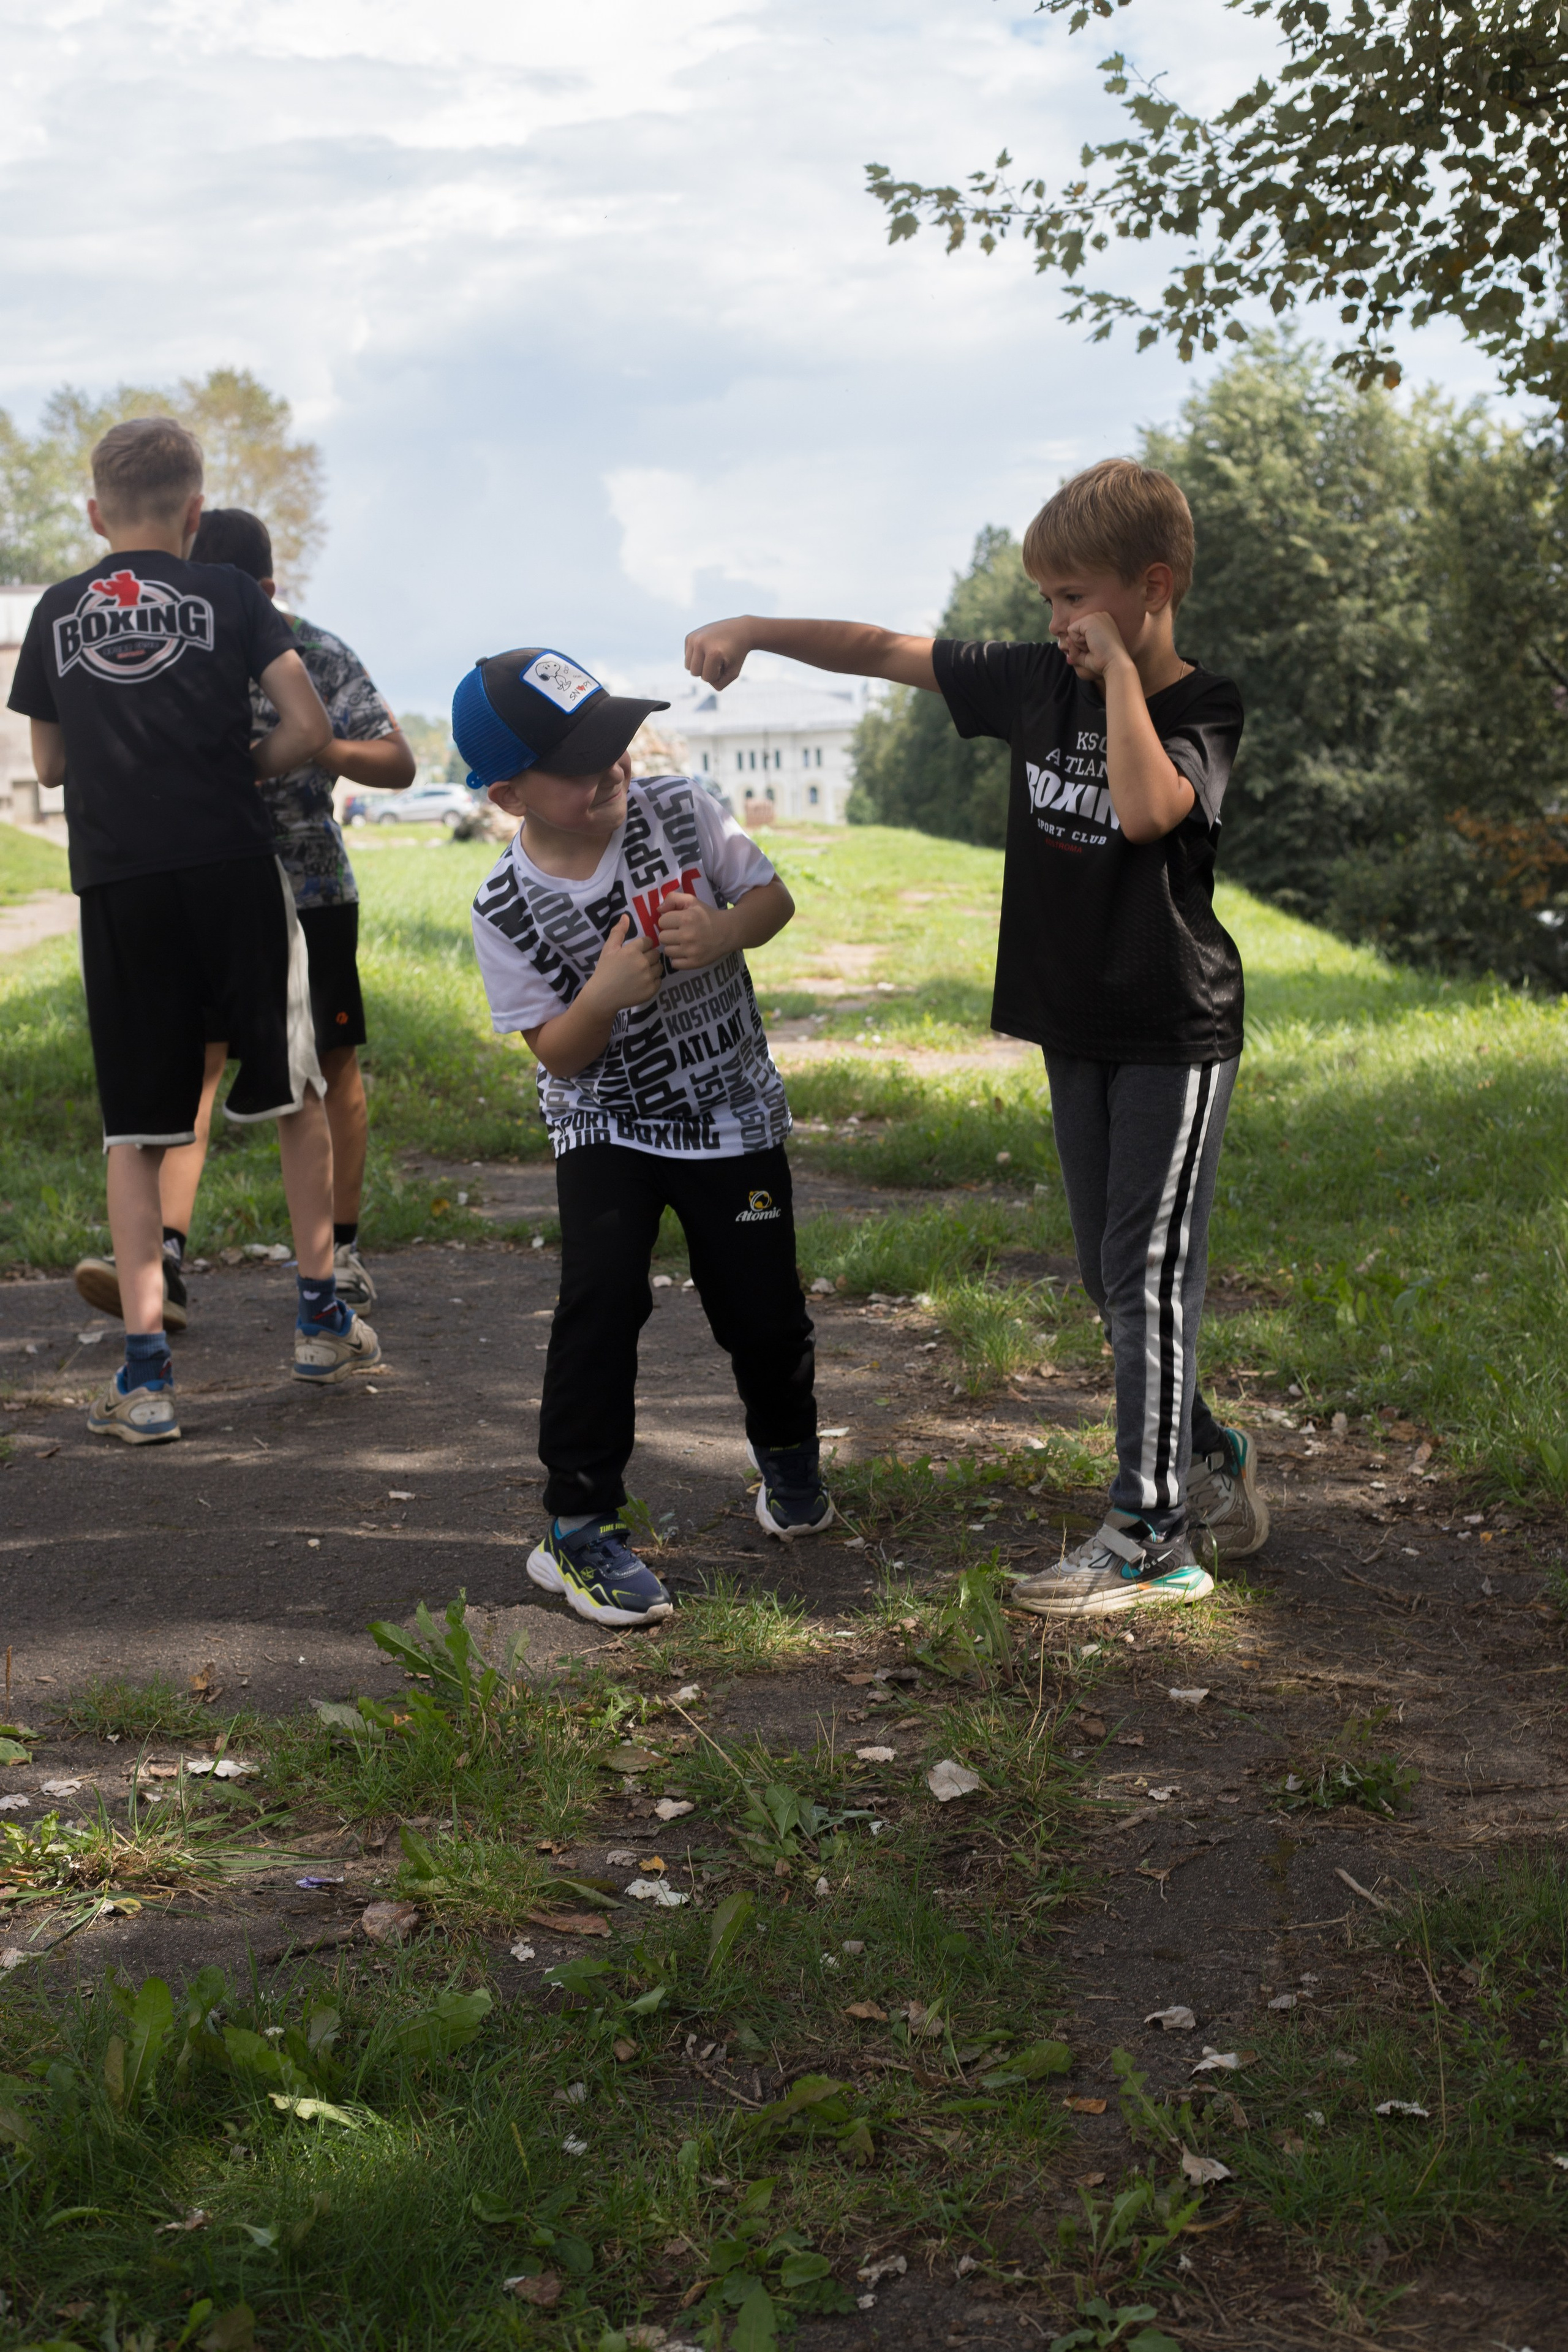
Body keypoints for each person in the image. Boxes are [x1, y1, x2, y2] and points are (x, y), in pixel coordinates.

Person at [684, 458, 1268, 1618]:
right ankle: (1206, 1452)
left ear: (1152, 588)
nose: (1054, 623)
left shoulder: (1204, 707)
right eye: (1044, 600)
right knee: (1115, 1280)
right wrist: (754, 627)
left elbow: (1152, 812)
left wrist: (1115, 688)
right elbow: (883, 650)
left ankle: (1149, 1533)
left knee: (1148, 1273)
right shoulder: (1030, 681)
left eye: (1074, 598)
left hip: (1170, 1030)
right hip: (1073, 1021)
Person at [7, 418, 381, 1444]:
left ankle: (146, 1380)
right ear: (194, 513)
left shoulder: (53, 609)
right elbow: (306, 729)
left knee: (139, 1128)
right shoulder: (228, 596)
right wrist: (234, 771)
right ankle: (319, 1324)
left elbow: (46, 767)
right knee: (295, 1088)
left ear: (93, 514)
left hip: (120, 884)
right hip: (232, 871)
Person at [458, 644, 831, 1627]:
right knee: (601, 1300)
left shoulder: (683, 809)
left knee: (760, 1309)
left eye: (615, 740)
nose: (612, 765)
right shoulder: (504, 906)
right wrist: (603, 996)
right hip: (607, 1125)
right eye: (580, 761)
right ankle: (579, 1529)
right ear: (508, 793)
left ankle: (789, 1460)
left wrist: (727, 932)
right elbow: (559, 1055)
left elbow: (773, 896)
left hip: (732, 1113)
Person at [148, 506, 415, 1313]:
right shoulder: (172, 646)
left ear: (270, 590)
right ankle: (163, 1257)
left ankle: (342, 1253)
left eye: (243, 595)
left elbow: (398, 763)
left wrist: (318, 740)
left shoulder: (319, 652)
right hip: (203, 886)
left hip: (310, 890)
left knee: (330, 1071)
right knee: (192, 1070)